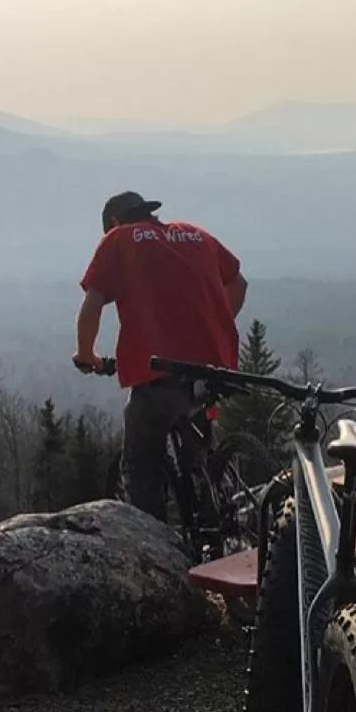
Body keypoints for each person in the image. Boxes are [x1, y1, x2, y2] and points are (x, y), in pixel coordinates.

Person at [74, 190, 247, 522]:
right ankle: (216, 514)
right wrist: (215, 326)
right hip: (213, 368)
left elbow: (93, 303)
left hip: (161, 371)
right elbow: (238, 284)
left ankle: (152, 541)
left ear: (114, 222)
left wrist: (86, 355)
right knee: (200, 455)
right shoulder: (196, 234)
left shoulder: (119, 239)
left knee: (139, 467)